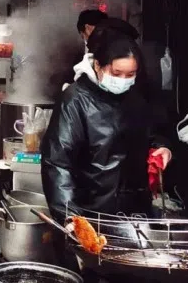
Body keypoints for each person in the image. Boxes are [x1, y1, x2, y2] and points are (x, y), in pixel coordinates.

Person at [42, 25, 172, 223]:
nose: (124, 80)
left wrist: (161, 147)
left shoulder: (135, 98)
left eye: (130, 75)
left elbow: (151, 133)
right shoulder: (76, 100)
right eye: (117, 73)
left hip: (134, 212)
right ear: (98, 66)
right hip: (89, 212)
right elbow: (58, 163)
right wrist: (71, 218)